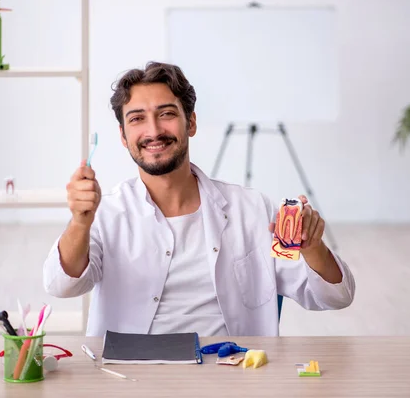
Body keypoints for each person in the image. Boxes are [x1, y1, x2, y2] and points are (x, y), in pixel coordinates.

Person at [43, 61, 355, 337]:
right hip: (130, 375)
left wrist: (313, 248)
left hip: (231, 372)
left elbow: (334, 297)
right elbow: (62, 285)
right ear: (123, 136)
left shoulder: (254, 210)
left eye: (166, 114)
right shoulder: (107, 214)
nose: (153, 130)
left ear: (190, 123)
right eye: (137, 118)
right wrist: (80, 222)